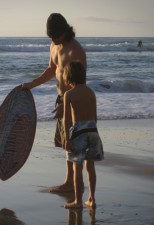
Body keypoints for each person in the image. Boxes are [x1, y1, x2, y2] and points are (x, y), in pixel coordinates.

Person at [21, 13, 87, 192]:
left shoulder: (75, 51)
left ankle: (73, 184)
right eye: (50, 36)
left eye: (55, 36)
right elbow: (52, 69)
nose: (53, 39)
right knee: (66, 143)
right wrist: (31, 85)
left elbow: (80, 84)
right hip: (62, 100)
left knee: (73, 143)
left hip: (73, 102)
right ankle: (70, 182)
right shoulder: (54, 45)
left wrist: (66, 105)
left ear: (64, 31)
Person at [62, 62, 104, 209]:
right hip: (93, 130)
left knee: (77, 168)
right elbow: (95, 116)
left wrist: (67, 139)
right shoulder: (91, 92)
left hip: (79, 131)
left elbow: (67, 120)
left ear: (68, 76)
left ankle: (78, 201)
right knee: (90, 166)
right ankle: (91, 199)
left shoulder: (69, 94)